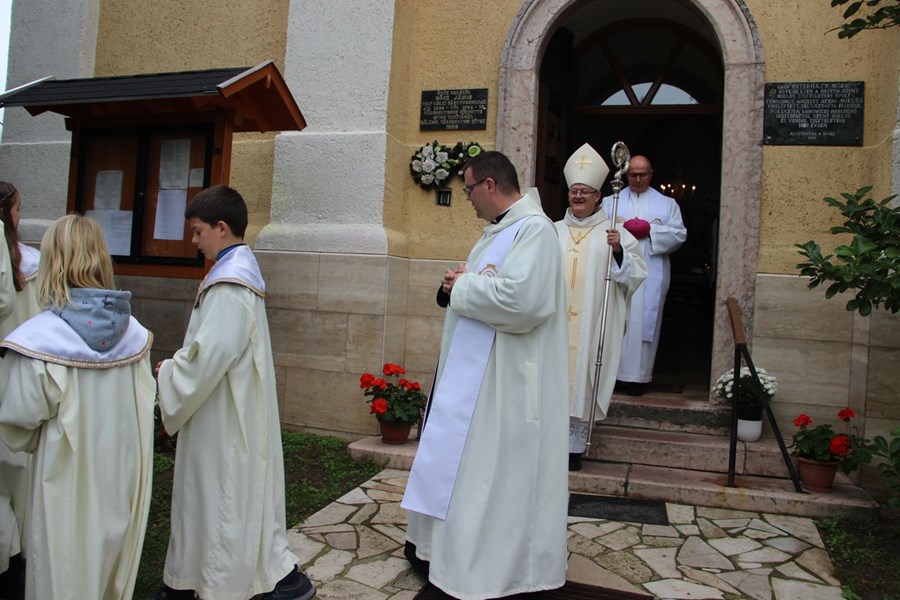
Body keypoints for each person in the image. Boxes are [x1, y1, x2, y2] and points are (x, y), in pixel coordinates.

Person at [401, 151, 570, 599]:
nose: (468, 198)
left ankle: (493, 568)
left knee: (494, 478)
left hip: (508, 381)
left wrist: (465, 284)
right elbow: (489, 285)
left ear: (490, 185)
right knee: (467, 470)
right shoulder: (499, 231)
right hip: (479, 377)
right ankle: (444, 551)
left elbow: (524, 302)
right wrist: (457, 283)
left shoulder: (535, 231)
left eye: (470, 189)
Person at [154, 185, 315, 600]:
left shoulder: (229, 283)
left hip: (224, 415)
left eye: (197, 231)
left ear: (221, 228)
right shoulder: (236, 271)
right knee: (228, 496)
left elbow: (212, 355)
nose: (194, 241)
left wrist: (169, 372)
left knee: (219, 496)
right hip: (228, 403)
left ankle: (217, 582)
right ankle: (245, 576)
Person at [0, 214, 155, 600]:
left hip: (63, 483)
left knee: (64, 573)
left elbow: (15, 426)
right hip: (119, 479)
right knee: (107, 571)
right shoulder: (134, 335)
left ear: (52, 260)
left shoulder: (38, 342)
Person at [556, 144, 647, 471]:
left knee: (582, 378)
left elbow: (636, 274)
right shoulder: (551, 231)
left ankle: (573, 450)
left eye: (585, 192)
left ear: (598, 197)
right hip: (554, 325)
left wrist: (619, 251)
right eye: (574, 191)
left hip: (591, 324)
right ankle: (548, 445)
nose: (578, 196)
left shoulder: (614, 234)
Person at [603, 155, 686, 395]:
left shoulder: (667, 204)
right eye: (633, 175)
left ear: (651, 174)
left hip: (652, 272)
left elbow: (679, 234)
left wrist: (651, 231)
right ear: (625, 175)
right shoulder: (611, 202)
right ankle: (613, 377)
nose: (638, 179)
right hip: (619, 269)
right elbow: (599, 229)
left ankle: (638, 379)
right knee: (617, 320)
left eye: (642, 175)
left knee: (644, 323)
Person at [0, 182, 43, 598]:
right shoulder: (34, 265)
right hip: (22, 383)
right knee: (21, 477)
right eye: (17, 209)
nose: (20, 215)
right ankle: (23, 563)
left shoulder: (26, 262)